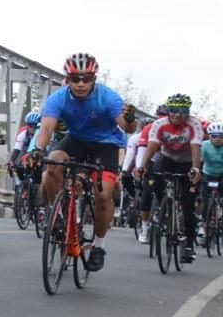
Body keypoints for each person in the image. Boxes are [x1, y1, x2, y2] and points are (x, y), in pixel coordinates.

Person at [27, 53, 138, 271]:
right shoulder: (58, 98)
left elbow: (127, 128)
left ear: (94, 79)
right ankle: (56, 214)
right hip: (76, 140)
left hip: (106, 144)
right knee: (53, 163)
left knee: (103, 194)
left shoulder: (108, 97)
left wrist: (132, 120)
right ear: (66, 79)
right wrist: (38, 150)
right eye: (74, 78)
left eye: (86, 78)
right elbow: (47, 128)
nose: (80, 84)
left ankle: (98, 246)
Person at [134, 93, 205, 262]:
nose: (177, 114)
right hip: (167, 158)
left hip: (188, 160)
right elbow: (152, 147)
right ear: (168, 111)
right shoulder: (159, 124)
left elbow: (196, 147)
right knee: (154, 179)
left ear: (188, 112)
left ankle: (188, 245)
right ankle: (163, 206)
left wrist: (195, 169)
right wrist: (142, 167)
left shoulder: (194, 124)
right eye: (173, 110)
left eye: (182, 111)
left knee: (188, 204)